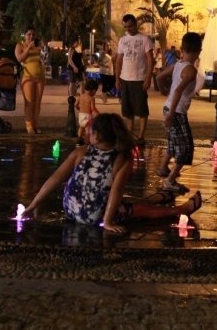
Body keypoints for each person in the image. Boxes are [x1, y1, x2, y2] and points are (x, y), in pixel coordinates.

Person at [22, 113, 202, 234]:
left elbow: (54, 179)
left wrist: (33, 205)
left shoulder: (81, 151)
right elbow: (115, 192)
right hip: (94, 216)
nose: (87, 132)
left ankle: (161, 197)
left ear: (98, 136)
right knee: (137, 210)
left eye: (90, 130)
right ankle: (181, 209)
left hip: (71, 210)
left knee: (122, 202)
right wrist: (107, 222)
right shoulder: (122, 158)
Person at [155, 32, 203, 192]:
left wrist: (164, 92)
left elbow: (159, 77)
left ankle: (163, 168)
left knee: (172, 142)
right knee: (186, 147)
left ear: (182, 48)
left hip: (169, 107)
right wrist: (171, 114)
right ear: (199, 51)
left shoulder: (178, 65)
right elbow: (177, 92)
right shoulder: (191, 70)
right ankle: (170, 180)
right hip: (176, 111)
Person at [115, 14, 154, 143]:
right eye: (126, 27)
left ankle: (141, 135)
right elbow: (119, 60)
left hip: (139, 79)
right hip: (125, 79)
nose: (128, 29)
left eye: (130, 26)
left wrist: (148, 78)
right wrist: (117, 78)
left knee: (142, 109)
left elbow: (150, 59)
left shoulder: (144, 39)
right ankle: (130, 135)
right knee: (127, 111)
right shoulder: (122, 40)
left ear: (135, 24)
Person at [15, 27, 45, 134]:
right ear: (25, 35)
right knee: (29, 103)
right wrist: (28, 49)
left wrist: (42, 57)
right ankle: (29, 126)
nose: (31, 36)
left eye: (33, 34)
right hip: (27, 77)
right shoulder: (20, 46)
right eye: (29, 34)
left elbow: (41, 59)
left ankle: (35, 125)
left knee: (37, 103)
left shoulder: (38, 47)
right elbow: (19, 59)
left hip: (40, 77)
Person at [75, 78, 99, 145]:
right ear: (93, 90)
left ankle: (79, 139)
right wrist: (97, 113)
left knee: (81, 127)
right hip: (87, 116)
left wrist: (79, 109)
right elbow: (92, 108)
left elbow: (76, 105)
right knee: (87, 129)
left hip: (81, 115)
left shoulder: (81, 96)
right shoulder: (91, 98)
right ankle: (87, 141)